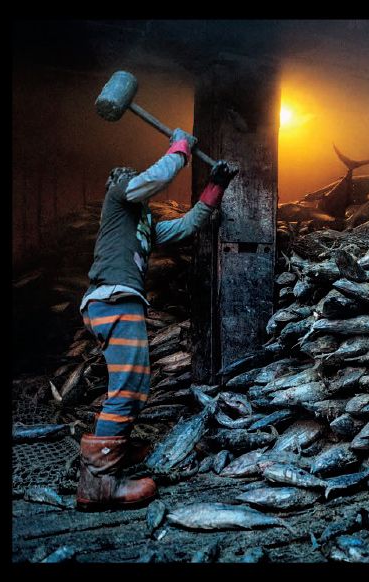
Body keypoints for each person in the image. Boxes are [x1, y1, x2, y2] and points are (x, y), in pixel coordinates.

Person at [76, 129, 237, 510]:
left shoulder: (142, 223)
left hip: (116, 302)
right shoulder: (118, 198)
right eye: (129, 178)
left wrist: (215, 188)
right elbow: (155, 178)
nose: (133, 179)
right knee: (129, 387)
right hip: (114, 299)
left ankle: (116, 450)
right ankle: (98, 483)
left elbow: (185, 226)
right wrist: (180, 147)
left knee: (132, 383)